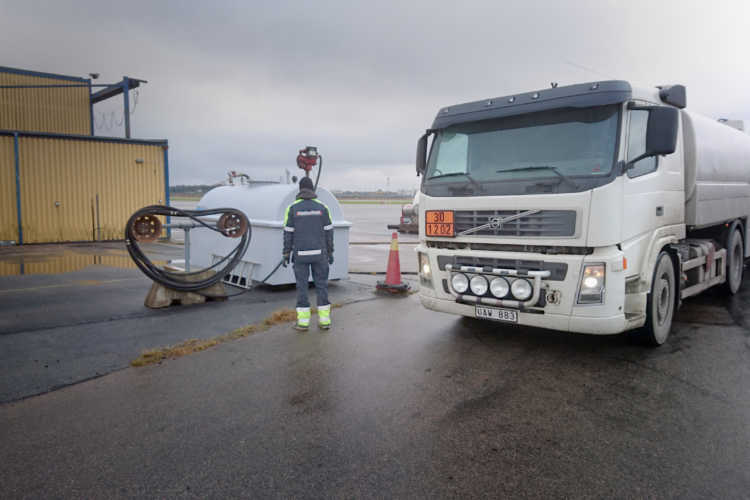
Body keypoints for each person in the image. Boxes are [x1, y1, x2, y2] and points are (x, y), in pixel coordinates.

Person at [282, 177, 334, 330]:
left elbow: (288, 234)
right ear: (312, 190)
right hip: (320, 254)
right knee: (322, 286)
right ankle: (324, 321)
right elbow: (329, 233)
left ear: (300, 189)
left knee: (302, 288)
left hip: (300, 255)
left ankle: (303, 323)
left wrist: (286, 252)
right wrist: (330, 252)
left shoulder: (292, 208)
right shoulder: (322, 207)